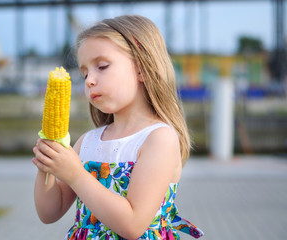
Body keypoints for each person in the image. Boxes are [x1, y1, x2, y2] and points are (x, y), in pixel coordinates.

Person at [32, 15, 204, 240]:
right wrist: (47, 166)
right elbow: (49, 212)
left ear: (142, 68)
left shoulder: (159, 139)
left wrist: (76, 175)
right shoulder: (88, 141)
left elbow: (133, 225)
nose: (89, 80)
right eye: (84, 73)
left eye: (102, 67)